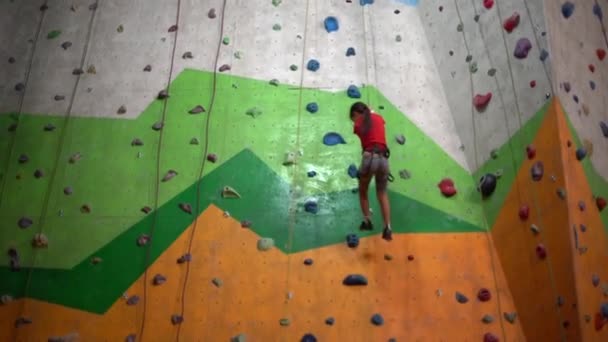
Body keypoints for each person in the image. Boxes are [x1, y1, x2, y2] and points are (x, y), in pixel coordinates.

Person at [350, 102, 392, 241]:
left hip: (369, 158)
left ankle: (367, 221)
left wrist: (360, 119)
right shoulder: (379, 118)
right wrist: (371, 111)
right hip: (384, 159)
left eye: (353, 117)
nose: (353, 120)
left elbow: (360, 130)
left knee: (363, 191)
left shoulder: (358, 123)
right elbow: (378, 124)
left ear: (356, 113)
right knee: (382, 193)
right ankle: (387, 227)